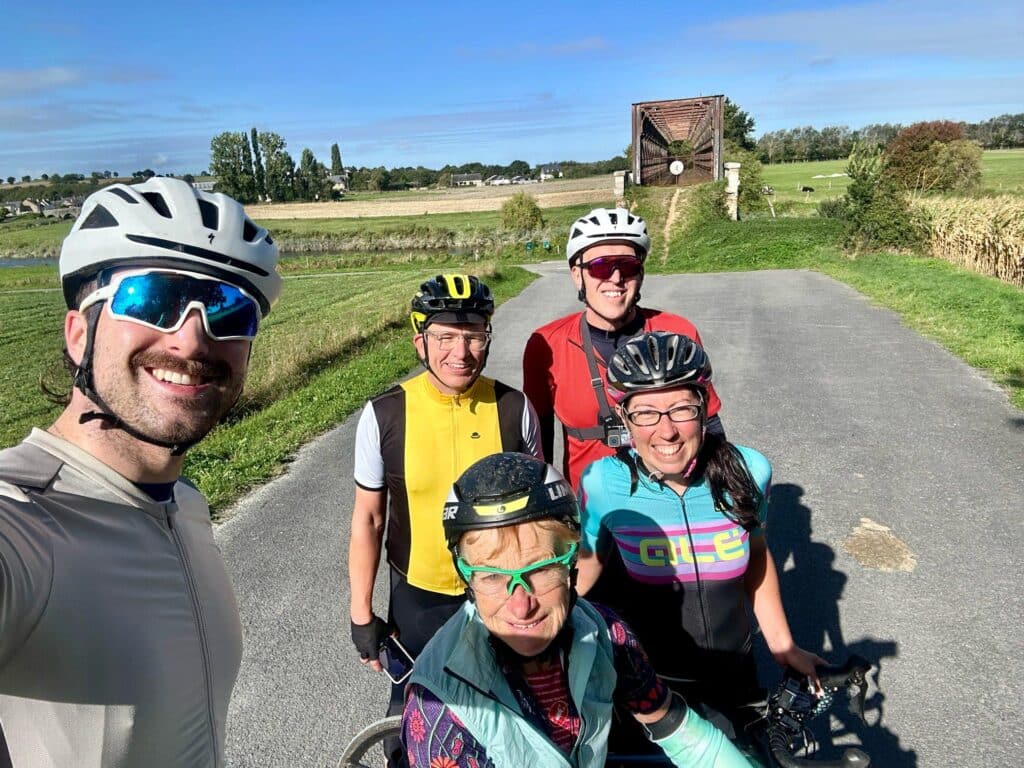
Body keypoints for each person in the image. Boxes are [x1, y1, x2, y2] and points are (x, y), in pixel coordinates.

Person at [0, 177, 282, 766]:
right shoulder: (22, 519)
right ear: (80, 334)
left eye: (232, 311)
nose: (192, 340)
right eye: (153, 298)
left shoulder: (185, 503)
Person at [401, 452, 749, 768]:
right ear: (466, 576)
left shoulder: (606, 634)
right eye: (492, 576)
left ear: (572, 567)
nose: (521, 606)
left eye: (540, 570)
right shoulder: (439, 709)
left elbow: (673, 726)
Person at [577, 331, 823, 745]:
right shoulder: (603, 482)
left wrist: (783, 646)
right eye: (646, 413)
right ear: (624, 419)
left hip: (735, 671)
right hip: (650, 679)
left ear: (704, 407)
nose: (667, 431)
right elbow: (587, 565)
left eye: (681, 409)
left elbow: (757, 557)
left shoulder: (749, 471)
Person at [347, 274, 542, 765]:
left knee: (514, 720)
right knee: (413, 724)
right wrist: (361, 613)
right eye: (445, 336)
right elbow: (369, 520)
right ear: (421, 342)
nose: (461, 350)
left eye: (474, 335)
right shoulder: (385, 413)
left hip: (505, 588)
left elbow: (543, 513)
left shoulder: (515, 408)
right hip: (421, 596)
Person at [522, 206, 724, 491]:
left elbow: (709, 422)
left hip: (675, 496)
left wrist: (725, 490)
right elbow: (537, 444)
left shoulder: (677, 331)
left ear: (640, 273)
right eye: (600, 266)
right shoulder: (546, 344)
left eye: (627, 266)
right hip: (591, 505)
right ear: (577, 274)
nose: (615, 278)